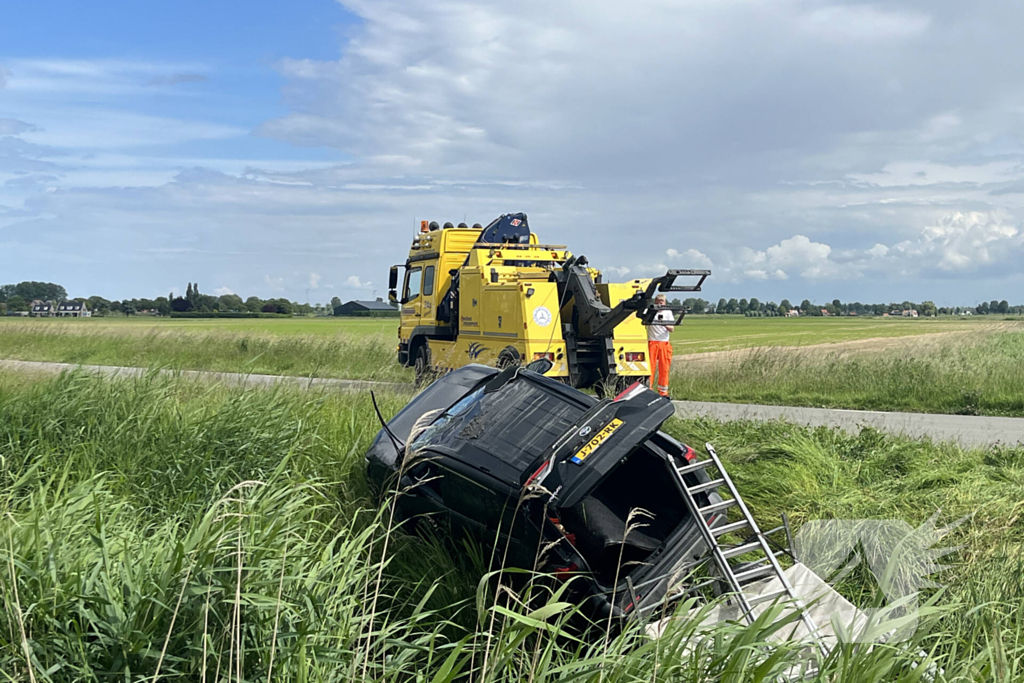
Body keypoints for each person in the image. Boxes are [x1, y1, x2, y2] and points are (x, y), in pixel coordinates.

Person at [647, 294, 674, 397]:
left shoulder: (668, 313)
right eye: (658, 302)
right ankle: (648, 389)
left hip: (664, 342)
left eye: (661, 302)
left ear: (665, 303)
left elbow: (672, 328)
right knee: (650, 368)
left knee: (664, 368)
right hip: (652, 342)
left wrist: (664, 323)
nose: (659, 304)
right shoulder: (650, 312)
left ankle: (663, 392)